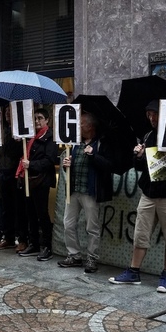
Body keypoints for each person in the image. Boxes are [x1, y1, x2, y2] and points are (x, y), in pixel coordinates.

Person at [109, 100, 166, 293]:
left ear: (164, 114)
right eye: (148, 115)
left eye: (154, 114)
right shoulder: (148, 136)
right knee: (141, 233)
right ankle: (134, 271)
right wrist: (138, 156)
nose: (151, 118)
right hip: (148, 193)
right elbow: (142, 168)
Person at [58, 111, 118, 273]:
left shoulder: (102, 144)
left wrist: (93, 156)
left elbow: (109, 165)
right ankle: (74, 255)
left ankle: (92, 258)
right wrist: (66, 164)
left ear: (90, 126)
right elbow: (70, 165)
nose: (78, 126)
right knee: (68, 224)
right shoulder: (75, 143)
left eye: (81, 124)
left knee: (92, 227)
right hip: (74, 190)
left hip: (91, 191)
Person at [17, 107, 58, 261]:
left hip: (41, 180)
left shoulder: (50, 137)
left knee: (42, 214)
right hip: (29, 180)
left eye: (40, 118)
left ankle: (46, 246)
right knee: (30, 213)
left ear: (47, 120)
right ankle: (33, 243)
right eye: (35, 118)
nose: (37, 121)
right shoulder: (30, 137)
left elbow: (49, 160)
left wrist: (31, 164)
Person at [0, 105, 27, 251]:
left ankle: (22, 238)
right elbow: (0, 149)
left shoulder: (20, 132)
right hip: (3, 171)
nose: (7, 114)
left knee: (19, 207)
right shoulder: (4, 130)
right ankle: (9, 237)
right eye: (5, 111)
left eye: (9, 112)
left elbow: (16, 152)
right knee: (6, 207)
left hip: (16, 172)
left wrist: (15, 140)